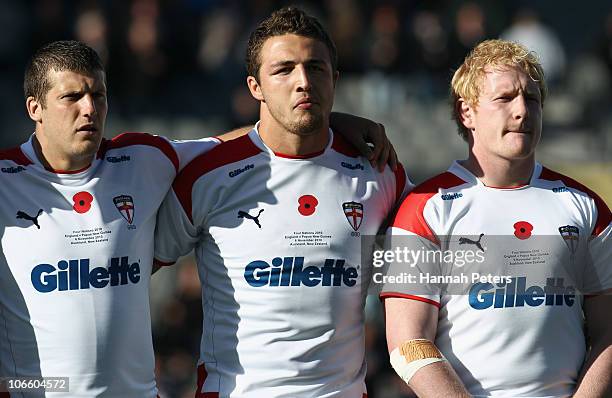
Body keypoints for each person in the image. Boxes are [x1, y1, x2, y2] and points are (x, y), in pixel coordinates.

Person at [0, 40, 394, 397]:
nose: (89, 108)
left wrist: (327, 119)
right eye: (72, 97)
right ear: (34, 107)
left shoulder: (143, 159)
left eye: (98, 95)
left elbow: (244, 144)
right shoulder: (4, 181)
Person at [153, 7, 411, 397]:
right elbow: (128, 271)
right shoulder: (207, 175)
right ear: (255, 87)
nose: (303, 81)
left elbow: (434, 279)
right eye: (284, 69)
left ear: (335, 80)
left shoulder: (379, 171)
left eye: (316, 68)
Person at [381, 39, 611, 397]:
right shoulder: (424, 208)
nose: (522, 111)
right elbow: (407, 345)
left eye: (531, 99)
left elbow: (608, 331)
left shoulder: (586, 206)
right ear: (466, 112)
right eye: (504, 98)